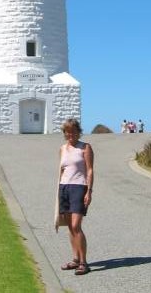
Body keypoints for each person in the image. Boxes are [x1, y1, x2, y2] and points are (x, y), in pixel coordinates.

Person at [58, 118, 94, 276]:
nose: (70, 134)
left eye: (73, 131)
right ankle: (75, 259)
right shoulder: (62, 149)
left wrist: (89, 191)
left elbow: (90, 170)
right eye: (67, 132)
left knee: (76, 225)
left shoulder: (85, 148)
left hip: (79, 187)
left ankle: (84, 262)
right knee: (69, 227)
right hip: (64, 187)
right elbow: (61, 170)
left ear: (78, 132)